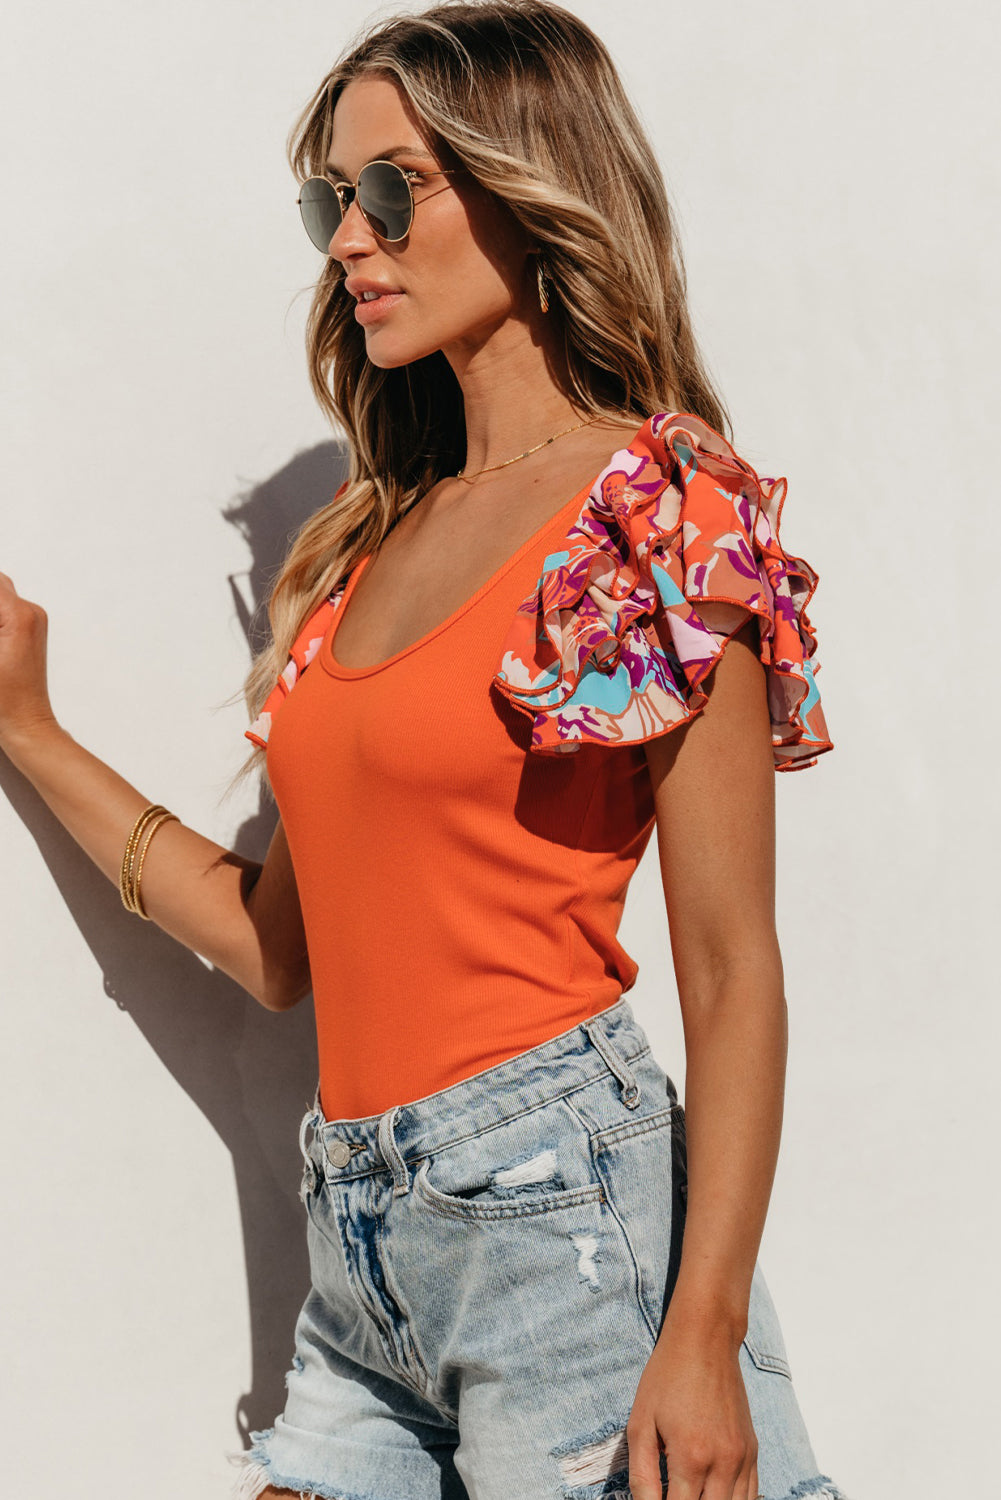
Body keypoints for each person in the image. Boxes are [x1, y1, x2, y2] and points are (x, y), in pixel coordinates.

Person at [0, 3, 847, 1498]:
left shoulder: (653, 514)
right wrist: (29, 729)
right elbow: (278, 951)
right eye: (332, 199)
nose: (349, 239)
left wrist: (704, 1328)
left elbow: (730, 965)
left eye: (393, 190)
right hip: (359, 1237)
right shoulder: (355, 556)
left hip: (566, 1227)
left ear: (529, 185)